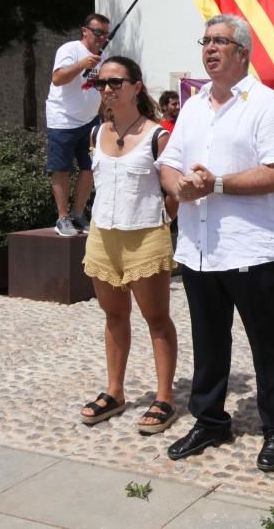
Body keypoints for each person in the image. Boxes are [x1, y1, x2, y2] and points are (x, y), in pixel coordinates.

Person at [156, 14, 274, 472]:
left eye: (221, 42)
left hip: (249, 248)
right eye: (206, 41)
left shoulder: (265, 104)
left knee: (266, 340)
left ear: (243, 53)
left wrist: (215, 185)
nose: (210, 48)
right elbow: (168, 163)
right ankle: (211, 419)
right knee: (209, 339)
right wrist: (180, 186)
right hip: (199, 247)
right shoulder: (195, 105)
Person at [79, 55, 179, 435]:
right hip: (103, 236)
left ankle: (165, 395)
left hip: (145, 237)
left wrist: (164, 222)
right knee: (113, 316)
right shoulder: (95, 133)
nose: (107, 89)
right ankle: (115, 391)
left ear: (136, 86)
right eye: (101, 83)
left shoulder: (158, 136)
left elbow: (172, 191)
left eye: (115, 82)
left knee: (156, 319)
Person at [46, 13, 110, 237]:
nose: (102, 38)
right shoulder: (70, 50)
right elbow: (58, 78)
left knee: (90, 167)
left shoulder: (102, 58)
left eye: (106, 34)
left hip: (90, 120)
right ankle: (62, 217)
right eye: (98, 32)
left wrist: (107, 116)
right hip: (63, 119)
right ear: (85, 31)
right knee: (61, 169)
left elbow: (97, 91)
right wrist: (82, 64)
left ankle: (78, 214)